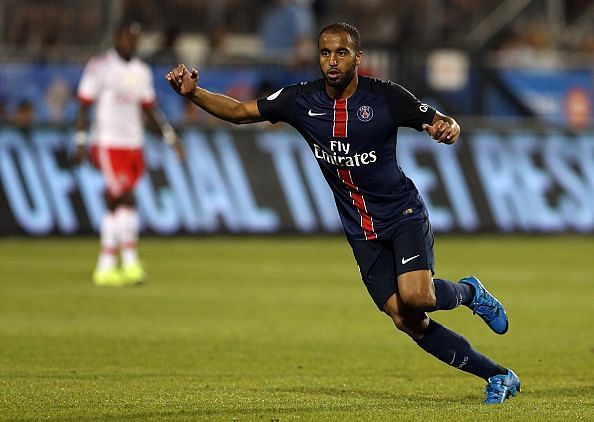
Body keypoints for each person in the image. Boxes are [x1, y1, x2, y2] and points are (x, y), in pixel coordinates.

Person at [166, 22, 520, 404]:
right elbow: (238, 111)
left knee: (417, 297)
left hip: (402, 214)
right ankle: (498, 376)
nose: (332, 61)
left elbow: (441, 121)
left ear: (357, 57)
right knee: (407, 319)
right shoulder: (300, 100)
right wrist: (194, 93)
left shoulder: (385, 97)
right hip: (360, 231)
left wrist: (447, 128)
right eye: (325, 53)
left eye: (341, 53)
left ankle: (470, 293)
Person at [74, 22, 184, 287]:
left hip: (134, 143)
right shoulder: (100, 67)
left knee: (117, 203)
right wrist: (80, 141)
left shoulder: (141, 72)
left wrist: (171, 138)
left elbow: (149, 111)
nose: (130, 43)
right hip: (108, 142)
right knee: (126, 198)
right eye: (126, 38)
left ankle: (107, 266)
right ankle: (130, 262)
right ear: (116, 37)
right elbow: (83, 106)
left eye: (134, 39)